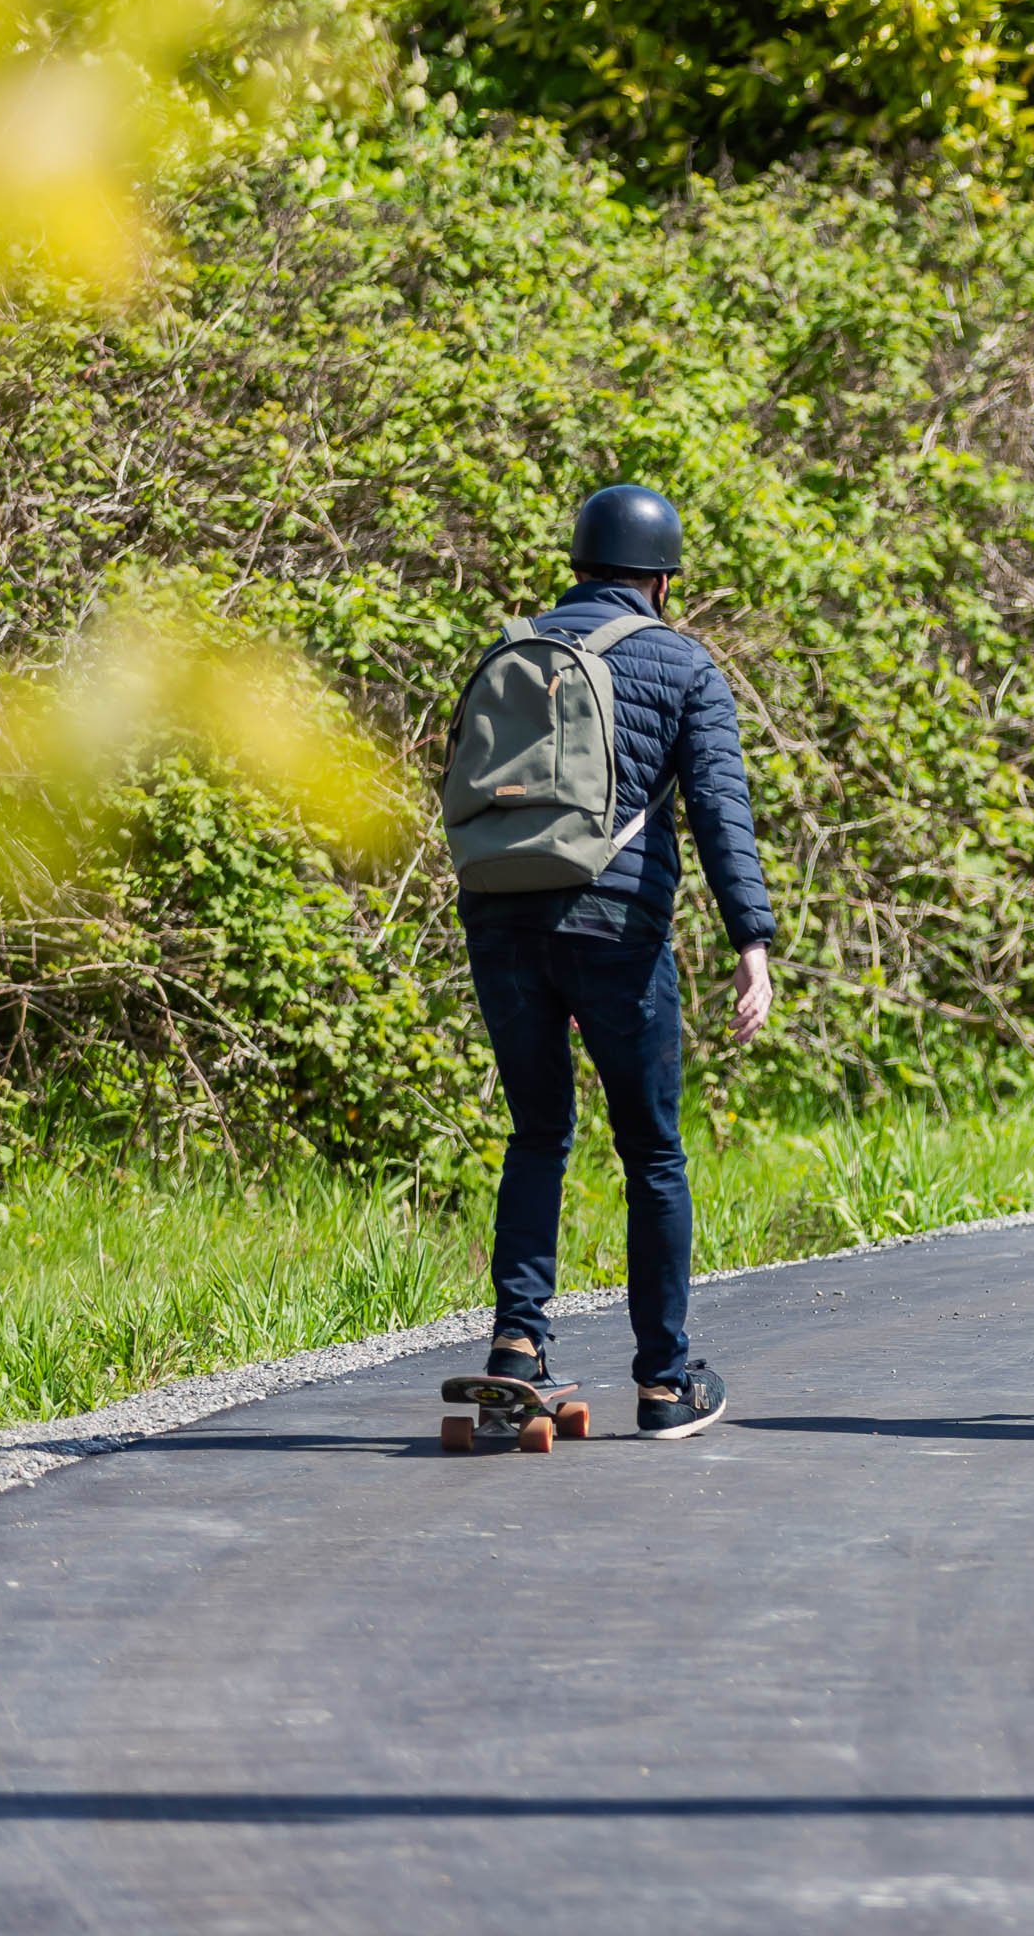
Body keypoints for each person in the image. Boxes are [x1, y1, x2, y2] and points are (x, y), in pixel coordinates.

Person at [459, 484, 773, 1439]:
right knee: (653, 1153)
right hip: (615, 925)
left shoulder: (510, 650)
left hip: (500, 917)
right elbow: (722, 811)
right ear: (663, 580)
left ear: (580, 566)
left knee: (538, 1133)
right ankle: (666, 1385)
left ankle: (517, 1345)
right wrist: (750, 946)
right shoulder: (682, 663)